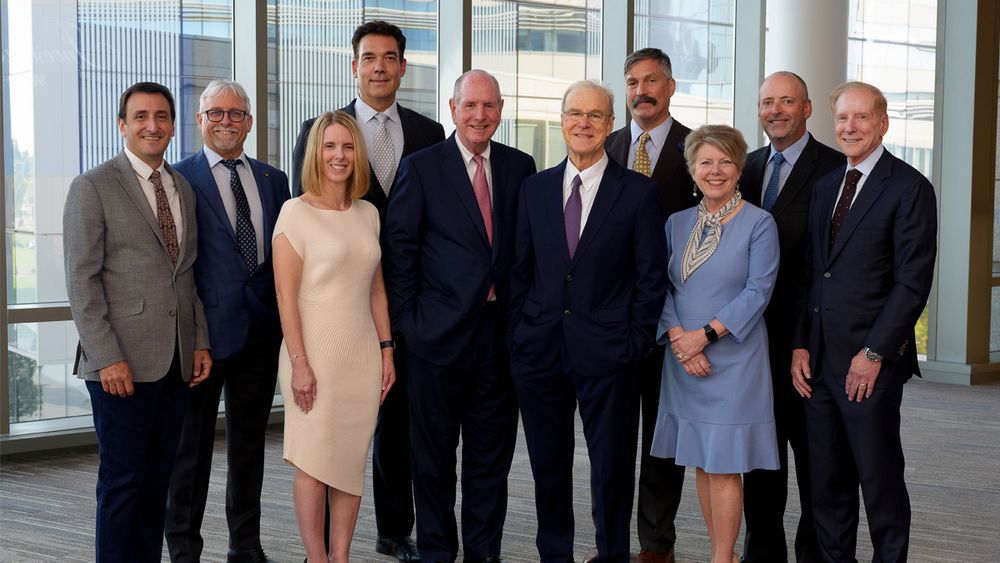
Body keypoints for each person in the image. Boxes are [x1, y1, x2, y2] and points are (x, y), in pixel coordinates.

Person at [291, 22, 445, 561]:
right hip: (335, 315)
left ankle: (393, 531)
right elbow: (303, 235)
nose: (379, 66)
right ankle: (327, 548)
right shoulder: (320, 131)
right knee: (327, 435)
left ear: (403, 66)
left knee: (400, 424)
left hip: (407, 307)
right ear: (353, 65)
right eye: (369, 57)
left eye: (390, 57)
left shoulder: (430, 133)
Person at [508, 80, 667, 563]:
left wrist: (634, 345)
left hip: (611, 354)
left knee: (612, 470)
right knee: (548, 467)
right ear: (561, 120)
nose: (584, 123)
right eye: (575, 113)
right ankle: (554, 553)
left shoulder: (639, 193)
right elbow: (519, 269)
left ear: (610, 124)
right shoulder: (533, 188)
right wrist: (520, 333)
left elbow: (650, 278)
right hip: (541, 351)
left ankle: (612, 553)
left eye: (595, 115)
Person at [383, 69, 536, 563]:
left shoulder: (520, 166)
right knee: (432, 460)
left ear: (501, 110)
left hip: (500, 337)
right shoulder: (422, 166)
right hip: (436, 340)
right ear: (453, 110)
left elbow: (526, 252)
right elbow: (399, 250)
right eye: (470, 105)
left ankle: (483, 554)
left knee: (490, 459)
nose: (480, 115)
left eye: (489, 106)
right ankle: (436, 553)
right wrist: (409, 322)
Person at [64, 81, 212, 562]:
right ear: (123, 124)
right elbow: (82, 282)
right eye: (142, 116)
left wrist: (199, 342)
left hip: (174, 361)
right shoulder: (93, 186)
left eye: (162, 116)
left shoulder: (182, 187)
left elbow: (186, 275)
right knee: (124, 481)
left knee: (158, 480)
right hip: (120, 364)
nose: (153, 125)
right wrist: (107, 357)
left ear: (172, 125)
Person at [791, 81, 937, 563]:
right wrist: (800, 345)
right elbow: (813, 272)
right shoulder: (827, 185)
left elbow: (911, 284)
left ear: (882, 123)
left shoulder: (910, 187)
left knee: (878, 480)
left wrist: (873, 353)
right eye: (842, 119)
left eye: (860, 118)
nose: (849, 127)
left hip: (869, 364)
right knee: (827, 483)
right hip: (820, 365)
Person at [165, 79, 289, 563]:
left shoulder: (273, 180)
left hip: (259, 334)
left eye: (236, 114)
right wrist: (193, 335)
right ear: (200, 120)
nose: (226, 122)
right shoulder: (178, 179)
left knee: (248, 449)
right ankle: (184, 549)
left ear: (249, 123)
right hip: (203, 338)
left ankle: (245, 544)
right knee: (189, 453)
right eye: (215, 113)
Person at [650, 125, 780, 563]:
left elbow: (758, 292)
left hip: (733, 361)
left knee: (724, 464)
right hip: (682, 360)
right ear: (691, 170)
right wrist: (678, 341)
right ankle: (719, 553)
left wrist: (703, 337)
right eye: (705, 161)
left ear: (739, 168)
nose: (715, 170)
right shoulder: (676, 223)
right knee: (702, 462)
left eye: (725, 161)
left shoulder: (760, 223)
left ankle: (722, 558)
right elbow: (660, 287)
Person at [273, 110, 396, 562]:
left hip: (362, 356)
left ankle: (340, 558)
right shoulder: (294, 212)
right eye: (329, 147)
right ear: (315, 154)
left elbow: (377, 288)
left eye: (347, 147)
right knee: (313, 461)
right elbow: (286, 298)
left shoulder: (368, 213)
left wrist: (387, 350)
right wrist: (300, 364)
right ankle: (317, 558)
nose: (339, 156)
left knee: (348, 461)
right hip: (314, 356)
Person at [737, 71, 842, 563]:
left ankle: (816, 554)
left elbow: (829, 267)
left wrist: (807, 336)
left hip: (811, 344)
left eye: (785, 101)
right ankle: (763, 555)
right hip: (752, 343)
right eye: (766, 102)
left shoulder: (838, 168)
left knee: (818, 462)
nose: (774, 110)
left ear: (807, 109)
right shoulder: (745, 167)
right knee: (761, 461)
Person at [599, 47, 698, 563]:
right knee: (612, 441)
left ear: (671, 86)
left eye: (652, 80)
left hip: (674, 321)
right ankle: (610, 544)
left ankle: (656, 545)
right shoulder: (605, 145)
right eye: (633, 80)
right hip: (612, 321)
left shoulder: (695, 149)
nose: (642, 90)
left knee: (662, 439)